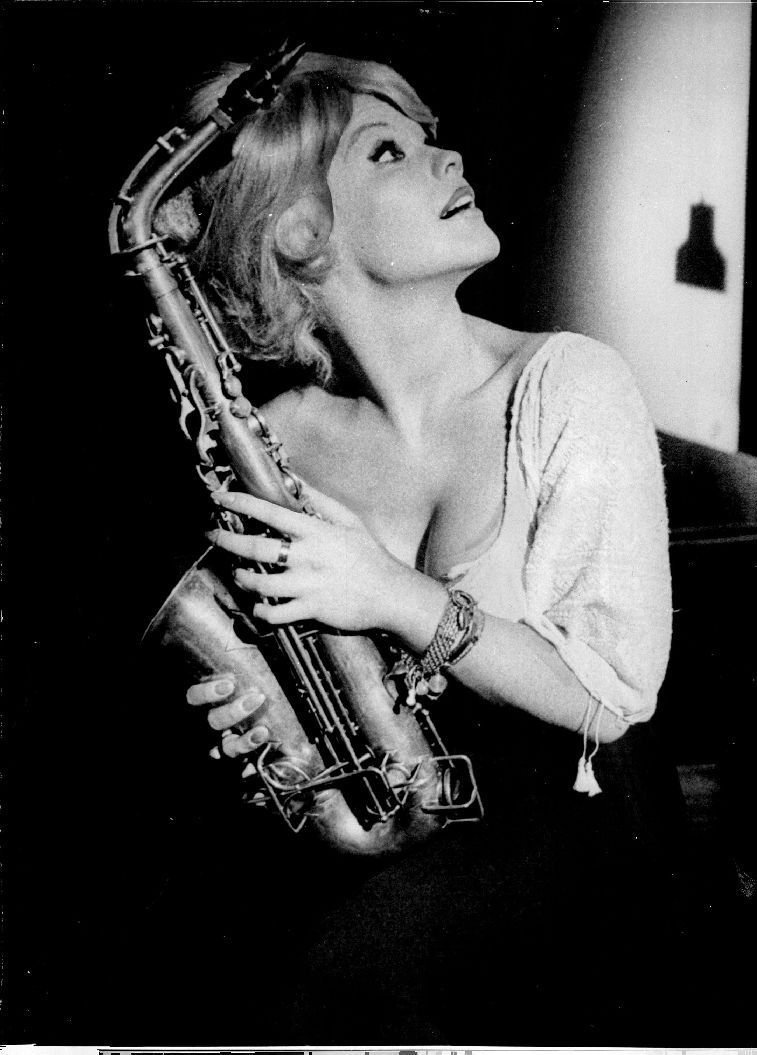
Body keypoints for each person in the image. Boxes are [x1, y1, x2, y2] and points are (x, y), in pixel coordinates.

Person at [169, 47, 677, 1041]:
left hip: (579, 841)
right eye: (389, 151)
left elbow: (612, 694)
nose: (449, 159)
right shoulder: (275, 439)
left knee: (331, 971)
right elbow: (301, 685)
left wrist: (390, 592)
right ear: (298, 231)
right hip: (398, 843)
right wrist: (254, 709)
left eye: (428, 138)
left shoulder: (569, 386)